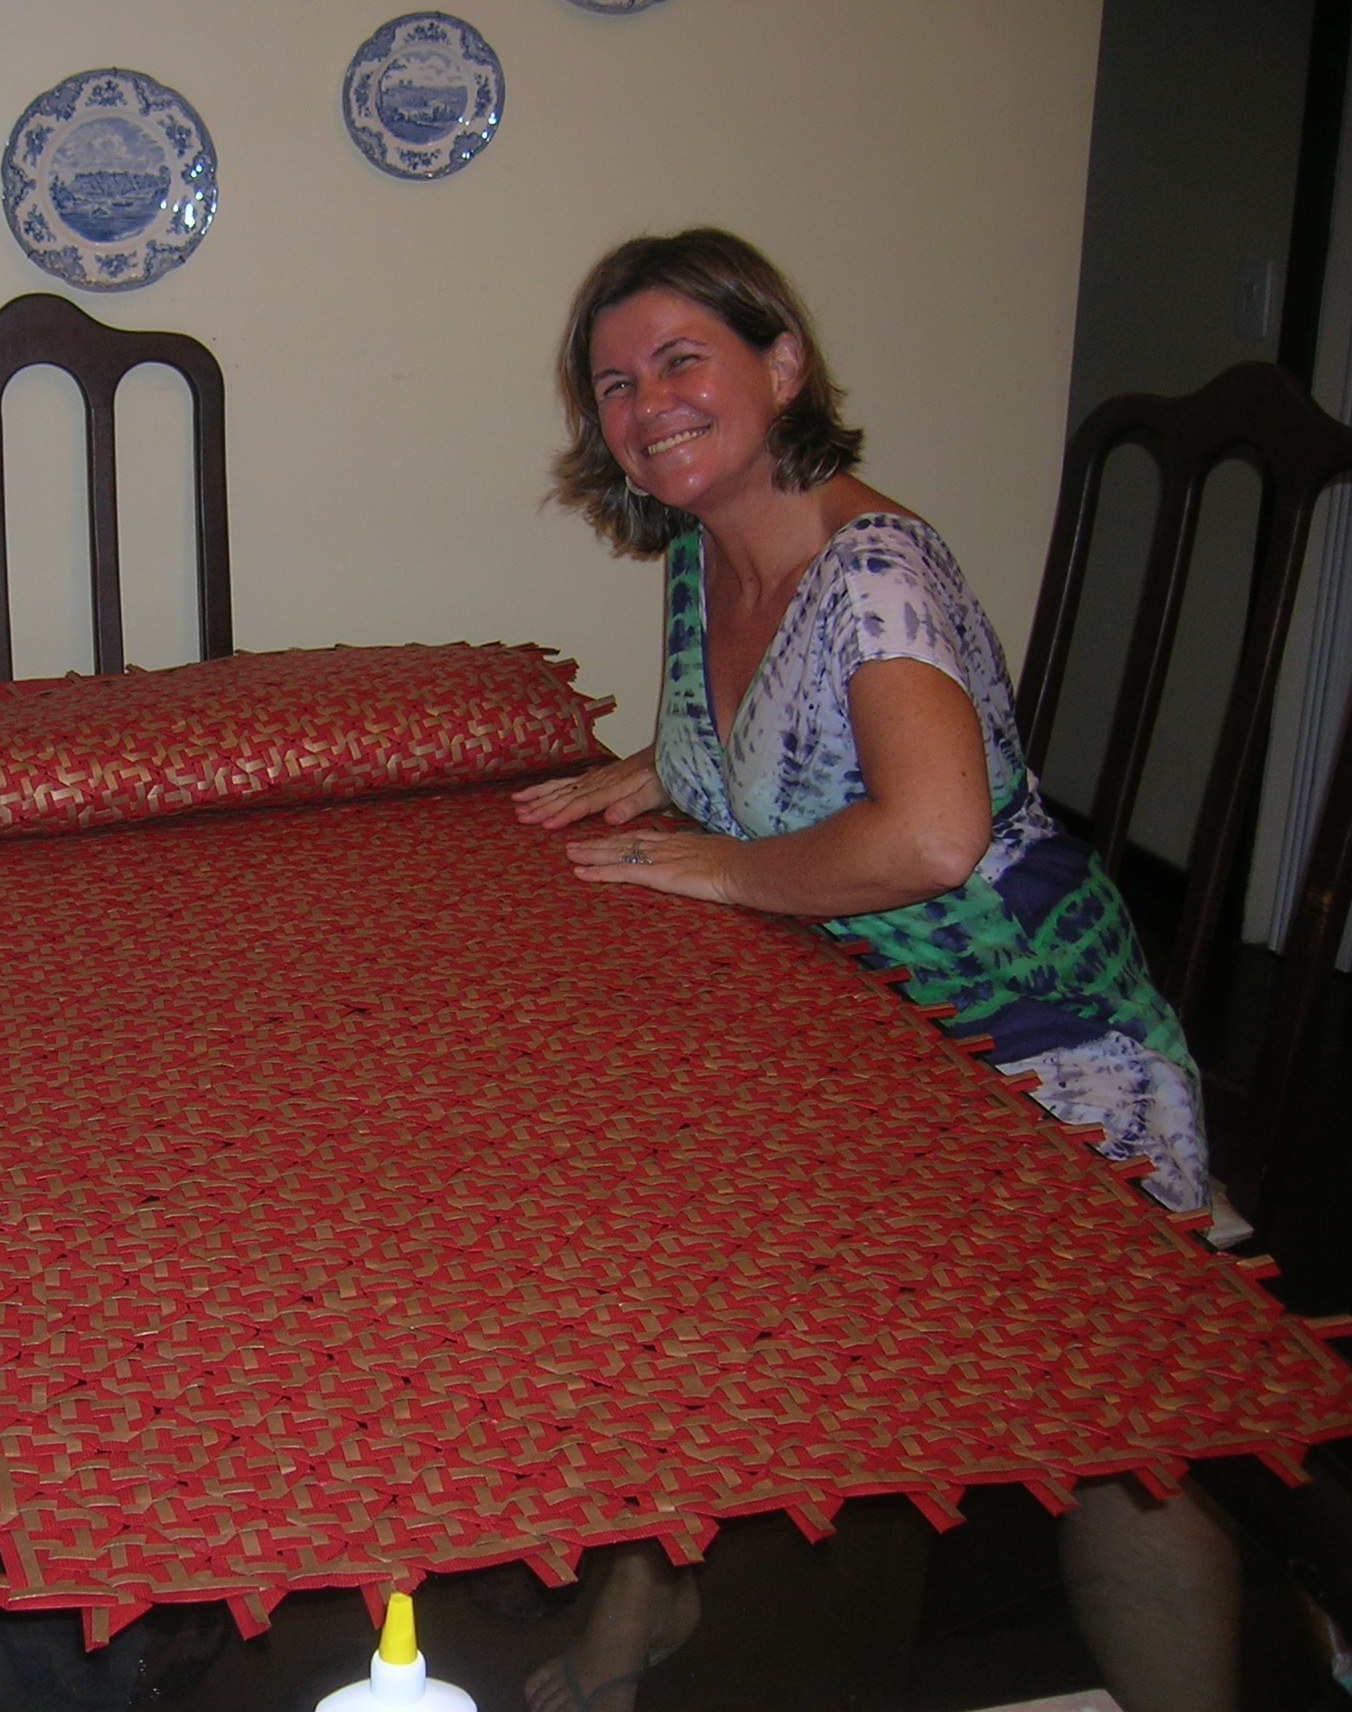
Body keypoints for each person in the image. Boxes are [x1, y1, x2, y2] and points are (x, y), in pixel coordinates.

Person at [511, 230, 1241, 1712]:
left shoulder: (879, 574)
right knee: (635, 1220)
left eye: (682, 361)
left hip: (1036, 1051)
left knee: (1123, 1443)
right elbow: (795, 738)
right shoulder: (703, 546)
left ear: (783, 366)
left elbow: (928, 835)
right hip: (848, 1021)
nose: (647, 406)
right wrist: (676, 766)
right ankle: (647, 1590)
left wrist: (726, 865)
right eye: (615, 383)